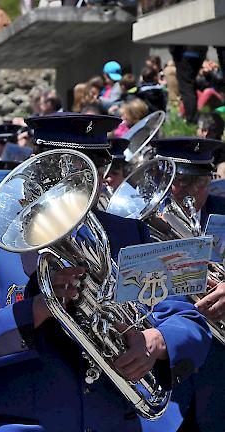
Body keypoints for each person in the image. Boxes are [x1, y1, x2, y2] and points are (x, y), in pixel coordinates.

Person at [0, 112, 211, 431]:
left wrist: (157, 341)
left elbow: (189, 323)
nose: (74, 186)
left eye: (90, 169)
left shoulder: (131, 235)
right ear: (35, 170)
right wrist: (39, 308)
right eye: (59, 171)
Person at [146, 136, 225, 432]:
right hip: (160, 381)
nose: (193, 192)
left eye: (202, 182)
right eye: (183, 181)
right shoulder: (130, 221)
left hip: (218, 381)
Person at [170, 45, 209, 124]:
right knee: (190, 87)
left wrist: (175, 53)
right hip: (199, 52)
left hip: (185, 53)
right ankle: (193, 115)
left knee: (186, 87)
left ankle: (192, 119)